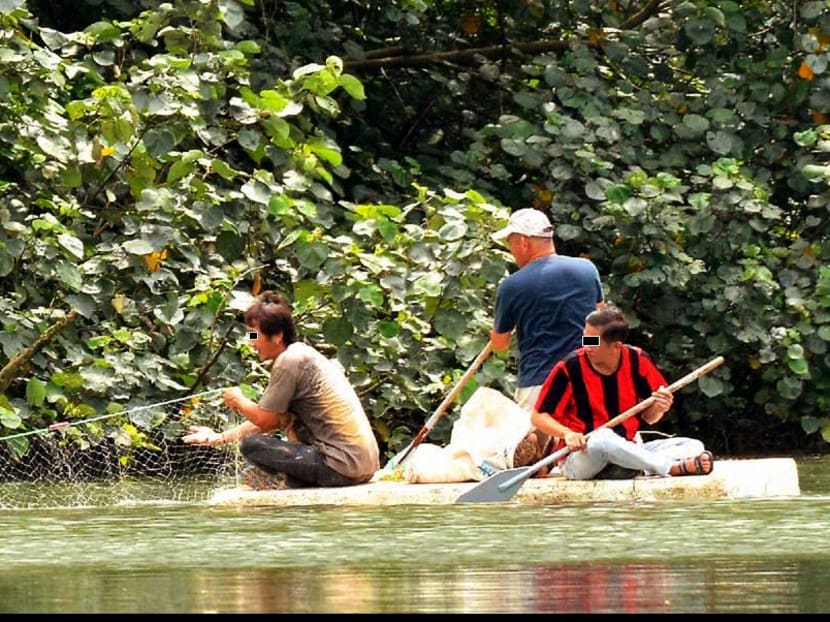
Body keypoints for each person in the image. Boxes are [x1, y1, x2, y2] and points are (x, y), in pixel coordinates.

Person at [183, 291, 380, 488]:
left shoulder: (289, 361)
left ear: (277, 336)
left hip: (340, 466)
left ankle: (288, 484)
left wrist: (239, 400)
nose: (251, 343)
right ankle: (292, 483)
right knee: (253, 458)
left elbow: (265, 420)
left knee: (252, 445)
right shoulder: (302, 354)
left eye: (255, 336)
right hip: (361, 467)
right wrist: (220, 438)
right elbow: (272, 419)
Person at [530, 306, 714, 480]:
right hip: (582, 456)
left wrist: (659, 407)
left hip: (626, 446)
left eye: (594, 342)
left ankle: (628, 466)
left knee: (693, 446)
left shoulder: (637, 360)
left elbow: (650, 418)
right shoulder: (569, 367)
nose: (587, 346)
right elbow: (538, 417)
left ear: (616, 346)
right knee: (601, 438)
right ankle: (670, 468)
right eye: (585, 339)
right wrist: (567, 434)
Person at [491, 207, 605, 464]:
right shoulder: (586, 270)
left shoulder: (512, 285)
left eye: (511, 243)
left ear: (523, 242)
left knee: (526, 460)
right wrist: (586, 349)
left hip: (538, 383)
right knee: (591, 454)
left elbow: (500, 344)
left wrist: (508, 326)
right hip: (587, 377)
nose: (511, 251)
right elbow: (601, 324)